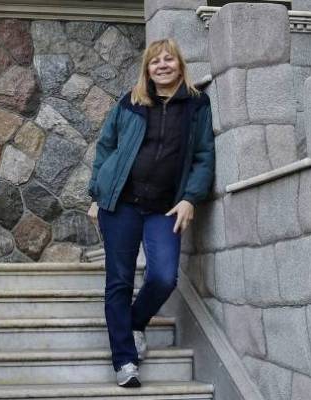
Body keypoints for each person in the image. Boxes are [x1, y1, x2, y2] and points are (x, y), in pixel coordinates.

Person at [87, 38, 215, 388]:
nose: (162, 65)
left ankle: (133, 322)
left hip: (165, 207)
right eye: (155, 61)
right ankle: (125, 362)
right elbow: (106, 147)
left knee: (163, 277)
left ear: (179, 65)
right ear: (147, 68)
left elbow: (204, 155)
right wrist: (98, 194)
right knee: (119, 281)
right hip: (121, 205)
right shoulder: (130, 102)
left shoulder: (197, 104)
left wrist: (190, 197)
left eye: (168, 59)